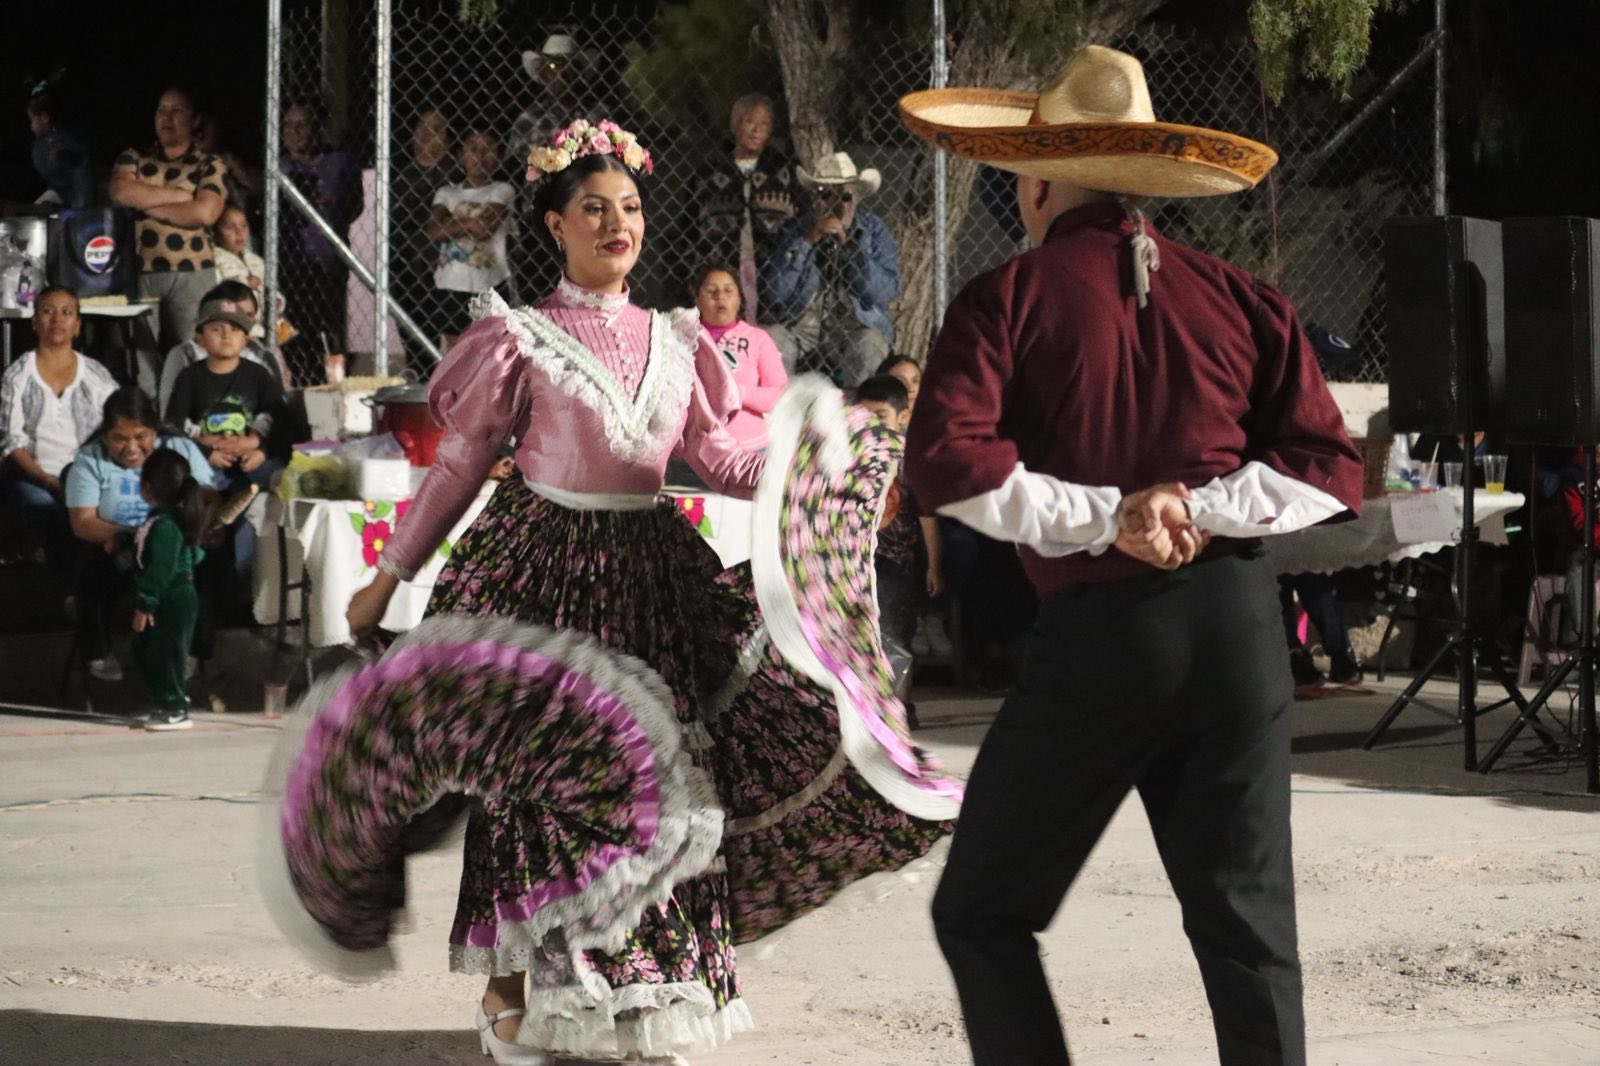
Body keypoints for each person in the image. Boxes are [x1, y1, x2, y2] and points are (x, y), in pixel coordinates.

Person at [264, 120, 956, 1066]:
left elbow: (719, 458)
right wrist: (388, 577)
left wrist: (817, 464)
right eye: (593, 208)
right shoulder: (517, 337)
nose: (615, 223)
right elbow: (459, 465)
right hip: (541, 571)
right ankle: (510, 993)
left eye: (628, 207)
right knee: (533, 788)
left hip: (650, 577)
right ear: (555, 224)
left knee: (669, 789)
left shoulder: (679, 340)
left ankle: (643, 995)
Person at [900, 45, 1364, 1066]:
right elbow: (1332, 469)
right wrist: (1198, 506)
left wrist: (1112, 518)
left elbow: (948, 466)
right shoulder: (1243, 296)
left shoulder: (1008, 295)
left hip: (1104, 635)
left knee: (981, 912)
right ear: (1142, 185)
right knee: (1248, 931)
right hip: (1239, 631)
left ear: (1035, 185)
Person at [64, 388, 214, 682]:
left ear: (154, 431)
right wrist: (138, 535)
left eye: (141, 437)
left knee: (211, 564)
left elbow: (208, 499)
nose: (131, 448)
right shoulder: (89, 460)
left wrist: (177, 535)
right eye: (119, 439)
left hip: (176, 546)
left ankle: (192, 647)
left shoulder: (180, 450)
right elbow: (82, 522)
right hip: (121, 549)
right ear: (105, 436)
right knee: (92, 561)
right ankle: (96, 647)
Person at [108, 87, 229, 391]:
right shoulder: (134, 157)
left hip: (192, 272)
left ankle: (187, 414)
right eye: (161, 110)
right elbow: (122, 192)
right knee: (140, 362)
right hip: (141, 271)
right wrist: (181, 198)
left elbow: (205, 212)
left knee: (193, 354)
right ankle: (146, 414)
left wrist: (146, 204)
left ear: (195, 119)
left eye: (177, 110)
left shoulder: (209, 163)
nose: (167, 117)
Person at [0, 286, 118, 582]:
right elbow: (10, 443)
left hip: (89, 474)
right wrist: (48, 481)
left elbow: (117, 423)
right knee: (50, 515)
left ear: (77, 325)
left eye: (67, 313)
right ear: (34, 322)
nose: (57, 319)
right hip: (36, 477)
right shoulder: (17, 375)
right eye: (48, 311)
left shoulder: (96, 375)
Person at [761, 151, 899, 385]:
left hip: (855, 324)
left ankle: (859, 408)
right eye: (826, 195)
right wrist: (807, 242)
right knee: (772, 339)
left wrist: (849, 246)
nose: (835, 204)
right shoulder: (795, 229)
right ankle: (779, 406)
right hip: (803, 323)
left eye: (844, 197)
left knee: (871, 345)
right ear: (815, 198)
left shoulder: (874, 230)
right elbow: (776, 292)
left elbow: (882, 292)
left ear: (855, 199)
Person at [856, 374, 942, 729]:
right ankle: (869, 710)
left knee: (896, 635)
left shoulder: (909, 460)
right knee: (865, 634)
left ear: (902, 417)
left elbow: (926, 515)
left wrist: (934, 565)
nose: (872, 425)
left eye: (881, 416)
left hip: (899, 562)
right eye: (865, 416)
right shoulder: (853, 455)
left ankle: (899, 709)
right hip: (862, 561)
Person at [691, 93, 804, 320]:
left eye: (765, 124)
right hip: (719, 265)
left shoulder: (784, 171)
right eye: (750, 121)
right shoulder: (709, 171)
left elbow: (799, 220)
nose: (756, 130)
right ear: (735, 125)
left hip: (771, 266)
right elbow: (690, 223)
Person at [130, 447, 213, 732]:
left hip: (173, 598)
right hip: (167, 596)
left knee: (168, 653)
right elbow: (192, 554)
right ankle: (163, 701)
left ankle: (175, 707)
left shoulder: (166, 525)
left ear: (147, 488)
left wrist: (146, 602)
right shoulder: (165, 520)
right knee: (146, 649)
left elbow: (161, 568)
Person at [278, 100, 361, 381]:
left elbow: (355, 204)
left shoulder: (338, 162)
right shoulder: (280, 165)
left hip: (328, 259)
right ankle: (298, 375)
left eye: (302, 125)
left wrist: (330, 208)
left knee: (329, 325)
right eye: (288, 125)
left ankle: (333, 378)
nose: (294, 132)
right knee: (289, 325)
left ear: (318, 128)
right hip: (289, 259)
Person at [425, 127, 515, 347]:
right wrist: (469, 223)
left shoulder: (503, 190)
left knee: (490, 347)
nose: (480, 155)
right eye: (473, 148)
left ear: (499, 156)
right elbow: (434, 231)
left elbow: (484, 230)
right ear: (460, 156)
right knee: (453, 348)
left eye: (488, 149)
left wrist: (453, 223)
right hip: (450, 284)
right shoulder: (446, 193)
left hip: (489, 284)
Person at [157, 281, 290, 417]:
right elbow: (170, 413)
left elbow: (275, 410)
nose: (243, 323)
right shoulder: (184, 355)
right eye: (235, 316)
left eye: (249, 316)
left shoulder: (260, 356)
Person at [394, 106, 460, 371]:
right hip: (406, 269)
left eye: (435, 130)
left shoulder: (456, 175)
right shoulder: (401, 175)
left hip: (444, 269)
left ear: (448, 139)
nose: (425, 136)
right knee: (415, 344)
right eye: (421, 128)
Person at [692, 263, 786, 449]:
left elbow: (778, 394)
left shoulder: (758, 339)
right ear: (698, 300)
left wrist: (737, 392)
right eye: (711, 291)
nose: (720, 296)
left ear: (739, 299)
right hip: (695, 447)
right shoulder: (683, 337)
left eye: (728, 290)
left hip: (748, 448)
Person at [25, 84, 95, 209]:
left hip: (75, 195)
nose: (31, 125)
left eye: (32, 120)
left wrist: (65, 156)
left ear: (44, 118)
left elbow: (83, 165)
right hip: (58, 191)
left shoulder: (65, 138)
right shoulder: (42, 141)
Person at [211, 204, 266, 317]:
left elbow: (267, 288)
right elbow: (216, 290)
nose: (239, 232)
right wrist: (244, 282)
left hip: (261, 320)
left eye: (243, 226)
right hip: (235, 319)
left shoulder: (256, 261)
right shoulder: (215, 259)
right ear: (215, 233)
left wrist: (276, 300)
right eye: (229, 227)